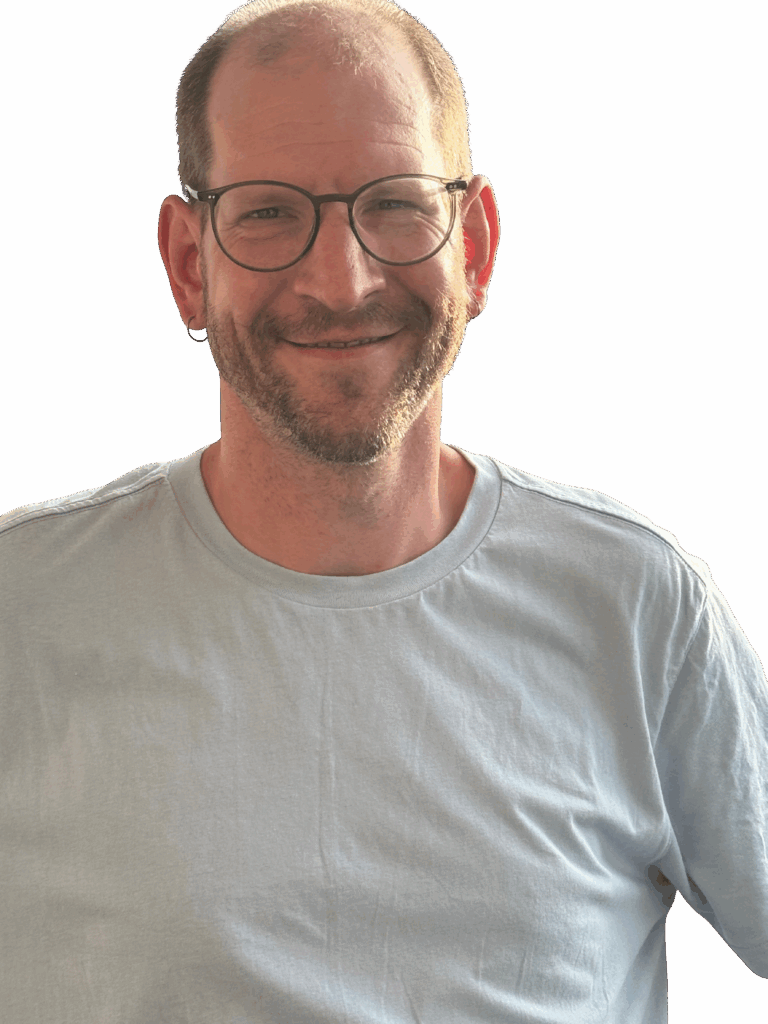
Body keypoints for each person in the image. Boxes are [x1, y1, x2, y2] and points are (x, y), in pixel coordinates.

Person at [1, 0, 766, 1021]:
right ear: (189, 264)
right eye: (268, 212)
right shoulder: (23, 610)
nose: (342, 279)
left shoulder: (636, 605)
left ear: (474, 246)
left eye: (397, 203)